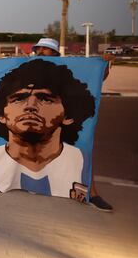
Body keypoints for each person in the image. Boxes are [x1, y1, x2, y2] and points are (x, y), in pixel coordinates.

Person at [0, 59, 94, 199]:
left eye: (45, 99)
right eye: (18, 99)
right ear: (1, 114)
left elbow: (97, 73)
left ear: (68, 115)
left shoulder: (81, 161)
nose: (30, 106)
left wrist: (105, 65)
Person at [30, 37, 113, 211]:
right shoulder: (32, 68)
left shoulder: (68, 67)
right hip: (41, 121)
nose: (40, 52)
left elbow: (95, 79)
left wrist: (105, 64)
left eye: (44, 49)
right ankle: (38, 186)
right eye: (38, 49)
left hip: (66, 119)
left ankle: (93, 194)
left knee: (83, 153)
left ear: (54, 52)